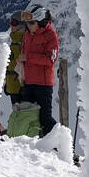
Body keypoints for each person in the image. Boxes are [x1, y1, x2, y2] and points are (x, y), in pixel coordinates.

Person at [17, 9, 59, 138]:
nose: (28, 26)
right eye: (27, 23)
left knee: (45, 118)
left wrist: (28, 57)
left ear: (40, 22)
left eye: (31, 23)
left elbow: (50, 59)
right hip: (29, 82)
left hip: (43, 84)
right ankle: (31, 142)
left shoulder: (51, 35)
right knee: (27, 114)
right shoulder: (28, 34)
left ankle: (59, 143)